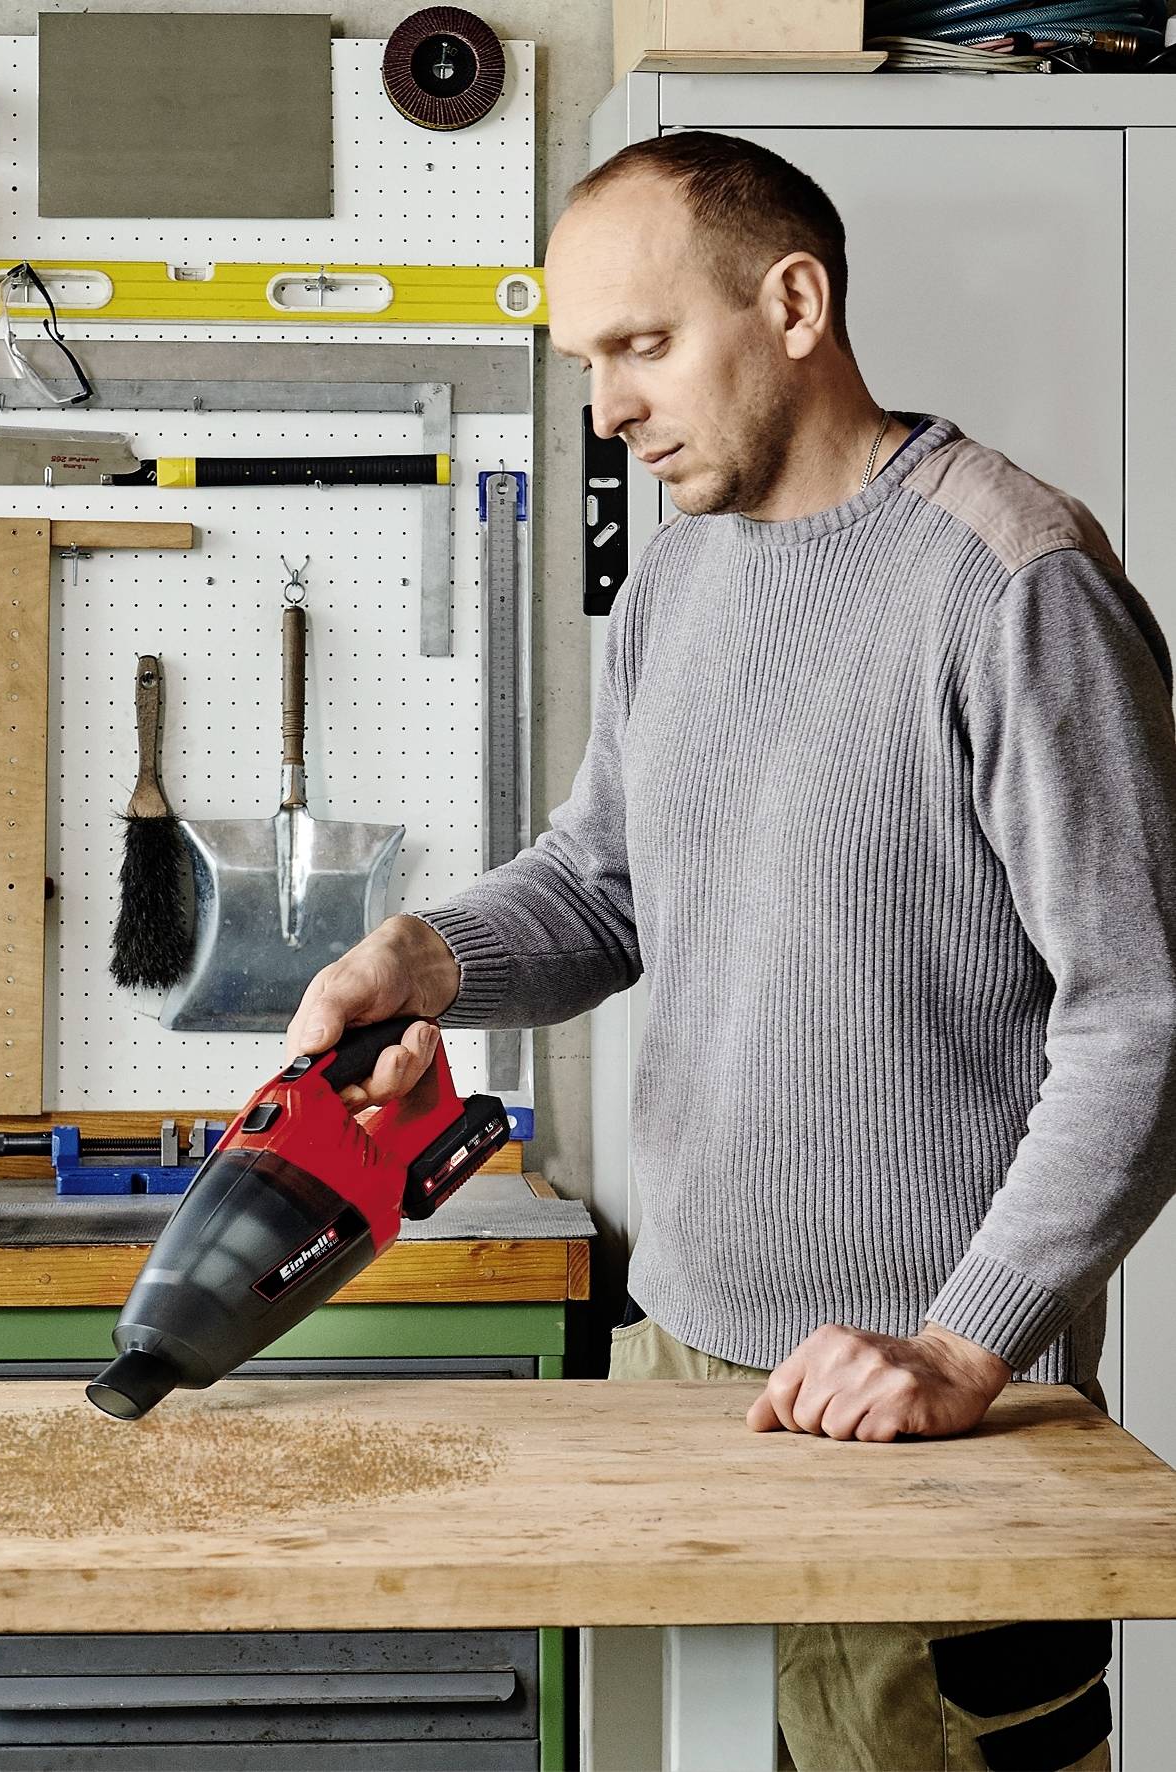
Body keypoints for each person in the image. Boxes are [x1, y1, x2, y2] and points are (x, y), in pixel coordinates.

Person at [286, 131, 1176, 1770]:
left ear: (791, 302)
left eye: (641, 346)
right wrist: (428, 955)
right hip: (685, 1355)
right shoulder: (679, 566)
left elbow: (1139, 1022)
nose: (609, 408)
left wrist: (969, 1336)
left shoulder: (1010, 583)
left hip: (918, 1400)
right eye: (585, 364)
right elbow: (610, 882)